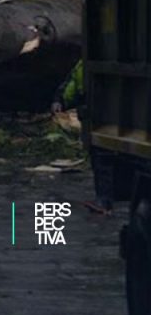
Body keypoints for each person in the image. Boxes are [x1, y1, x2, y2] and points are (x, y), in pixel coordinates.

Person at [51, 59, 114, 213]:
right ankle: (104, 200)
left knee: (101, 155)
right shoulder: (85, 64)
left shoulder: (85, 63)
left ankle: (104, 201)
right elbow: (73, 84)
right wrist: (60, 100)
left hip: (99, 117)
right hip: (104, 115)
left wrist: (60, 101)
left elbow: (73, 84)